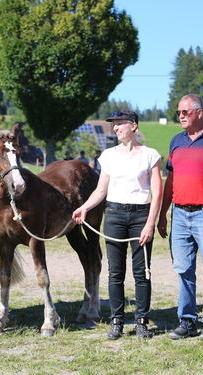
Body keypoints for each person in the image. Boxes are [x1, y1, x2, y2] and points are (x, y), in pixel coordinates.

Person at [72, 110, 162, 340]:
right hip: (114, 214)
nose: (115, 128)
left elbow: (157, 192)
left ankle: (141, 321)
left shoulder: (150, 155)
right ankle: (117, 321)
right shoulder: (109, 156)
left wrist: (150, 224)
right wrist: (86, 207)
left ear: (134, 126)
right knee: (115, 272)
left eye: (120, 124)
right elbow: (101, 190)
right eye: (114, 125)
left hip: (141, 214)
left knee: (142, 273)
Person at [157, 94, 203, 341]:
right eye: (178, 112)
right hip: (179, 214)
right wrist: (162, 214)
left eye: (185, 112)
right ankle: (187, 321)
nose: (180, 116)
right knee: (183, 270)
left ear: (199, 112)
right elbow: (171, 181)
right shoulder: (176, 141)